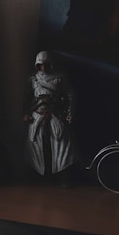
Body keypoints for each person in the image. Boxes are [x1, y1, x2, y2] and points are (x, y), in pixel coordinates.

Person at [23, 51, 79, 184]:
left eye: (46, 65)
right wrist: (25, 113)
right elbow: (27, 98)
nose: (43, 68)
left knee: (62, 146)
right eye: (40, 65)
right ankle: (38, 177)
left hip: (54, 115)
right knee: (34, 146)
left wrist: (69, 114)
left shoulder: (59, 78)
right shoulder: (33, 79)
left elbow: (70, 95)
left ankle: (63, 177)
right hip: (37, 116)